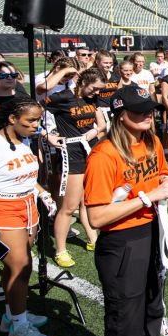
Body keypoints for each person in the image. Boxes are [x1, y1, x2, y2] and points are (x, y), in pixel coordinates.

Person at [83, 85, 168, 336]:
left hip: (150, 233)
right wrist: (147, 198)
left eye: (149, 110)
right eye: (138, 112)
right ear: (119, 115)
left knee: (153, 310)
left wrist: (166, 183)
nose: (146, 116)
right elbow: (96, 217)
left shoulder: (152, 140)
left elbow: (160, 174)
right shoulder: (104, 155)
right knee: (124, 326)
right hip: (121, 243)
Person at [0, 99, 54, 336]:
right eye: (31, 120)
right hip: (1, 210)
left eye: (39, 119)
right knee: (20, 266)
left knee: (20, 266)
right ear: (12, 119)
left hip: (27, 207)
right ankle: (18, 329)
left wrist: (42, 193)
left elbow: (26, 177)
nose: (36, 125)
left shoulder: (24, 140)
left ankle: (12, 316)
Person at [47, 68, 107, 267]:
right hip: (71, 155)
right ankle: (60, 250)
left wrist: (94, 130)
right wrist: (47, 135)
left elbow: (101, 124)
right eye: (94, 88)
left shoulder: (92, 100)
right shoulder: (62, 97)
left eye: (100, 90)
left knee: (87, 201)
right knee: (69, 206)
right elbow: (36, 109)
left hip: (91, 152)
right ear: (84, 81)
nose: (96, 93)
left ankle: (93, 239)